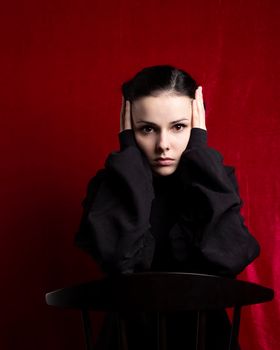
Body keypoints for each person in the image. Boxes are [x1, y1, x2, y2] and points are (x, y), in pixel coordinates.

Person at [75, 65, 260, 349]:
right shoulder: (110, 185)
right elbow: (118, 260)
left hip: (206, 340)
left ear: (197, 125)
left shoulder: (214, 181)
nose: (163, 145)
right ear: (128, 128)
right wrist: (129, 160)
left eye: (178, 127)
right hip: (129, 341)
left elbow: (229, 259)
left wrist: (198, 149)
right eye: (147, 129)